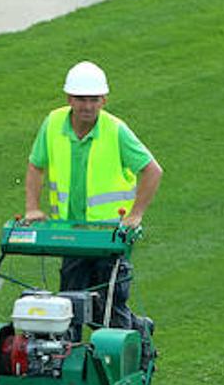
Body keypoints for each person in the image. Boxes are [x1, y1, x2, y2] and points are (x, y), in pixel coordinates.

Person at [23, 60, 162, 329]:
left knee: (109, 309)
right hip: (71, 235)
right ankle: (68, 363)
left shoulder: (115, 131)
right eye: (81, 99)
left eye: (93, 99)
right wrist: (32, 207)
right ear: (69, 99)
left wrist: (136, 214)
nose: (87, 106)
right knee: (69, 306)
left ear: (104, 100)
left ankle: (138, 342)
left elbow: (152, 171)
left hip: (108, 237)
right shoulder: (52, 124)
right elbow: (36, 164)